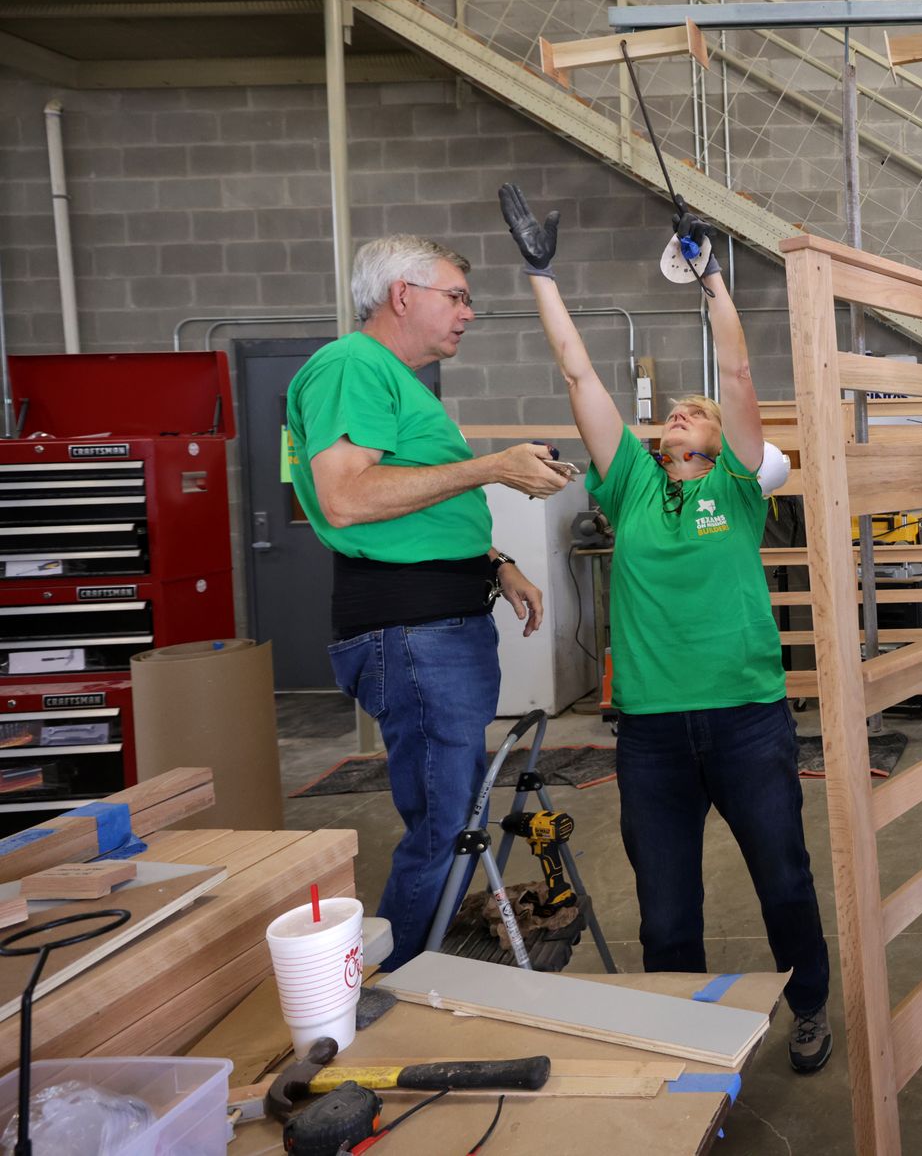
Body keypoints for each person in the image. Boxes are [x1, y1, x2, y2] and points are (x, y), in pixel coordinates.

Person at [499, 185, 833, 1074]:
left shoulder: (738, 488)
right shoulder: (632, 489)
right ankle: (688, 1039)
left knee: (784, 881)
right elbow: (579, 375)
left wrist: (713, 282)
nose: (679, 413)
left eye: (695, 411)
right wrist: (542, 275)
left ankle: (810, 1006)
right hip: (650, 735)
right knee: (666, 912)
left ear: (722, 441)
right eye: (672, 411)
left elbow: (740, 378)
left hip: (747, 721)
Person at [286, 233, 567, 970]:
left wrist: (495, 560)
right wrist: (493, 467)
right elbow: (344, 499)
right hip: (412, 632)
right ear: (402, 295)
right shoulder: (352, 366)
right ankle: (396, 982)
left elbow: (421, 508)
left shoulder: (399, 381)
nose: (469, 314)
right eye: (457, 296)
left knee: (456, 813)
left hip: (437, 624)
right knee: (447, 824)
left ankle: (426, 956)